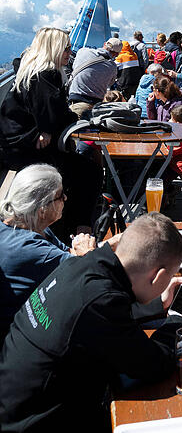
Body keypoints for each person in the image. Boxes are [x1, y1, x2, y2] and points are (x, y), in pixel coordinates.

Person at [0, 213, 182, 433]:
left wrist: (157, 304)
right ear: (158, 275)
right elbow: (153, 365)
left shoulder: (82, 265)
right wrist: (177, 322)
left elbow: (97, 321)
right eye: (170, 275)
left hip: (14, 410)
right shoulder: (100, 303)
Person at [0, 27, 102, 235]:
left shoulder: (29, 70)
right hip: (27, 148)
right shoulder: (45, 76)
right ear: (53, 48)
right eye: (65, 48)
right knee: (89, 170)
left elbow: (49, 116)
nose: (69, 53)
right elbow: (56, 116)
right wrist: (49, 127)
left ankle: (73, 225)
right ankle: (80, 227)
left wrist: (46, 128)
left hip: (14, 144)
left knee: (80, 167)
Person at [0, 165, 96, 344]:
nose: (65, 198)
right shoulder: (32, 249)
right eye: (60, 196)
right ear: (42, 208)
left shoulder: (30, 226)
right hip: (17, 340)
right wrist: (87, 252)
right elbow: (87, 272)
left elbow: (69, 253)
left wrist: (116, 242)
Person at [67, 37, 122, 116]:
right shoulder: (113, 67)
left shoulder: (82, 51)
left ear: (104, 44)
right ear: (117, 54)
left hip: (77, 103)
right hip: (97, 108)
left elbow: (74, 67)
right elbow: (110, 83)